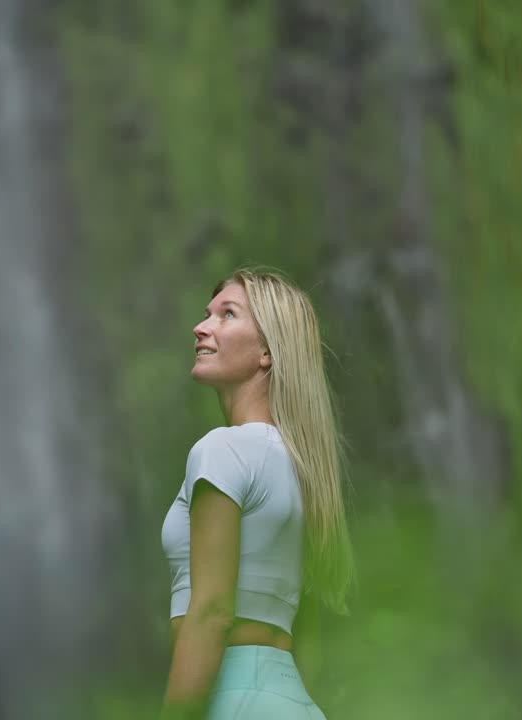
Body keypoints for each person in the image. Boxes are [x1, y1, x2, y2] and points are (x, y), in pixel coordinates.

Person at [160, 267, 355, 719]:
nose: (201, 326)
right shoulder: (305, 468)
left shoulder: (222, 449)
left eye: (227, 315)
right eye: (207, 313)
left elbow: (209, 613)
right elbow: (309, 642)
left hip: (233, 701)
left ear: (267, 351)